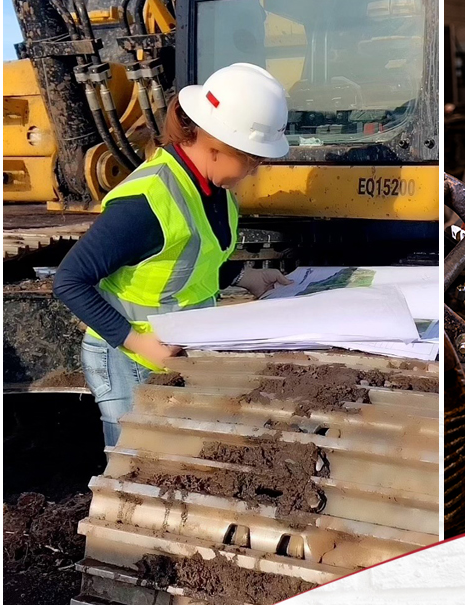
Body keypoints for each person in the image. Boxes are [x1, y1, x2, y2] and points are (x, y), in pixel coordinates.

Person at [53, 63, 294, 446]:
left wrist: (243, 277)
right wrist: (137, 343)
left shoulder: (213, 191)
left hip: (171, 350)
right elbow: (68, 282)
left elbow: (180, 268)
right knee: (132, 471)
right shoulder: (146, 202)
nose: (255, 171)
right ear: (218, 146)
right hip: (127, 357)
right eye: (252, 159)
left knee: (170, 458)